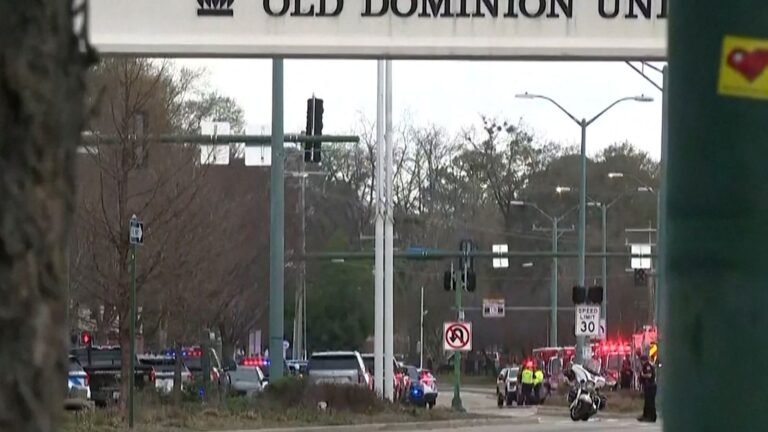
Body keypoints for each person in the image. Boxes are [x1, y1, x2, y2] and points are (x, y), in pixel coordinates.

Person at [637, 354, 657, 422]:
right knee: (647, 402)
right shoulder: (645, 366)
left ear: (643, 360)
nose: (641, 362)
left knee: (650, 402)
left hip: (650, 386)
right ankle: (645, 416)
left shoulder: (648, 366)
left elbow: (649, 375)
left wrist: (643, 375)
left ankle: (651, 417)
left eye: (641, 361)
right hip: (647, 386)